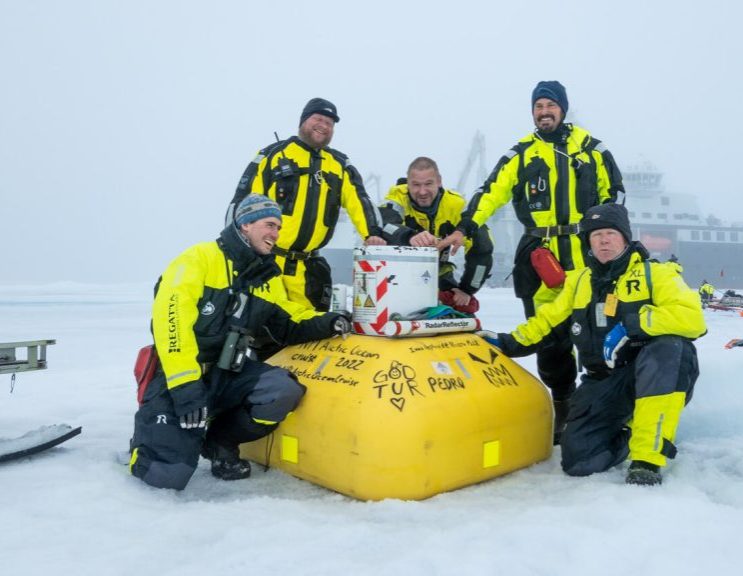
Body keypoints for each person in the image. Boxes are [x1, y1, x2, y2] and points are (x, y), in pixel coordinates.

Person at [438, 80, 624, 441]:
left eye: (550, 106)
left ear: (562, 109)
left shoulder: (592, 150)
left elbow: (614, 195)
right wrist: (464, 228)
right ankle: (563, 406)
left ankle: (604, 407)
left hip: (585, 261)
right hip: (538, 260)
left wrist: (607, 242)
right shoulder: (521, 154)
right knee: (549, 339)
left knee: (596, 333)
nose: (544, 112)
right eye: (538, 106)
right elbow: (489, 193)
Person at [129, 195, 352, 491]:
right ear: (245, 224)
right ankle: (143, 446)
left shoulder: (266, 277)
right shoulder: (198, 259)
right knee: (167, 476)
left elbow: (288, 320)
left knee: (281, 390)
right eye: (269, 224)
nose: (276, 233)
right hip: (179, 376)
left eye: (278, 227)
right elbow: (171, 324)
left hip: (227, 373)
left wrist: (329, 322)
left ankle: (220, 440)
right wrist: (185, 387)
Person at [477, 203, 705, 485]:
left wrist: (631, 325)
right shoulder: (579, 281)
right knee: (579, 462)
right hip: (603, 382)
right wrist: (505, 342)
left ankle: (647, 458)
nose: (604, 240)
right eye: (596, 235)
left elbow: (693, 319)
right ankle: (631, 430)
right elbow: (546, 322)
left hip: (649, 375)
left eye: (610, 233)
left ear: (625, 237)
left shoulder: (656, 275)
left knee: (670, 347)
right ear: (588, 241)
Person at [229, 97, 386, 312]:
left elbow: (360, 200)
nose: (323, 126)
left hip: (309, 271)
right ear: (303, 120)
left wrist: (372, 234)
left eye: (330, 123)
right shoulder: (273, 156)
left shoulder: (340, 165)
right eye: (318, 118)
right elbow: (243, 202)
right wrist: (238, 250)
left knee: (310, 336)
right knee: (261, 334)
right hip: (268, 263)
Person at [379, 157, 493, 312]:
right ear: (408, 184)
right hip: (398, 277)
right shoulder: (397, 198)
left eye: (428, 184)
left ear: (439, 181)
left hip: (440, 275)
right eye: (416, 185)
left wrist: (467, 289)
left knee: (464, 310)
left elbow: (483, 249)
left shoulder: (457, 205)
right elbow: (385, 225)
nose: (422, 191)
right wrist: (409, 236)